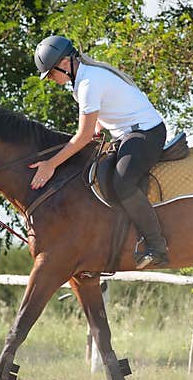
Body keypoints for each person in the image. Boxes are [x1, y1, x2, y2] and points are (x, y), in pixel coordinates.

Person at [30, 35, 169, 269]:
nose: (51, 79)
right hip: (125, 134)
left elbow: (82, 137)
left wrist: (51, 164)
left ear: (65, 63)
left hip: (146, 134)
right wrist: (97, 128)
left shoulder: (88, 83)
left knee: (122, 183)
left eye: (51, 73)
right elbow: (104, 114)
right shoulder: (82, 80)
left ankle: (157, 246)